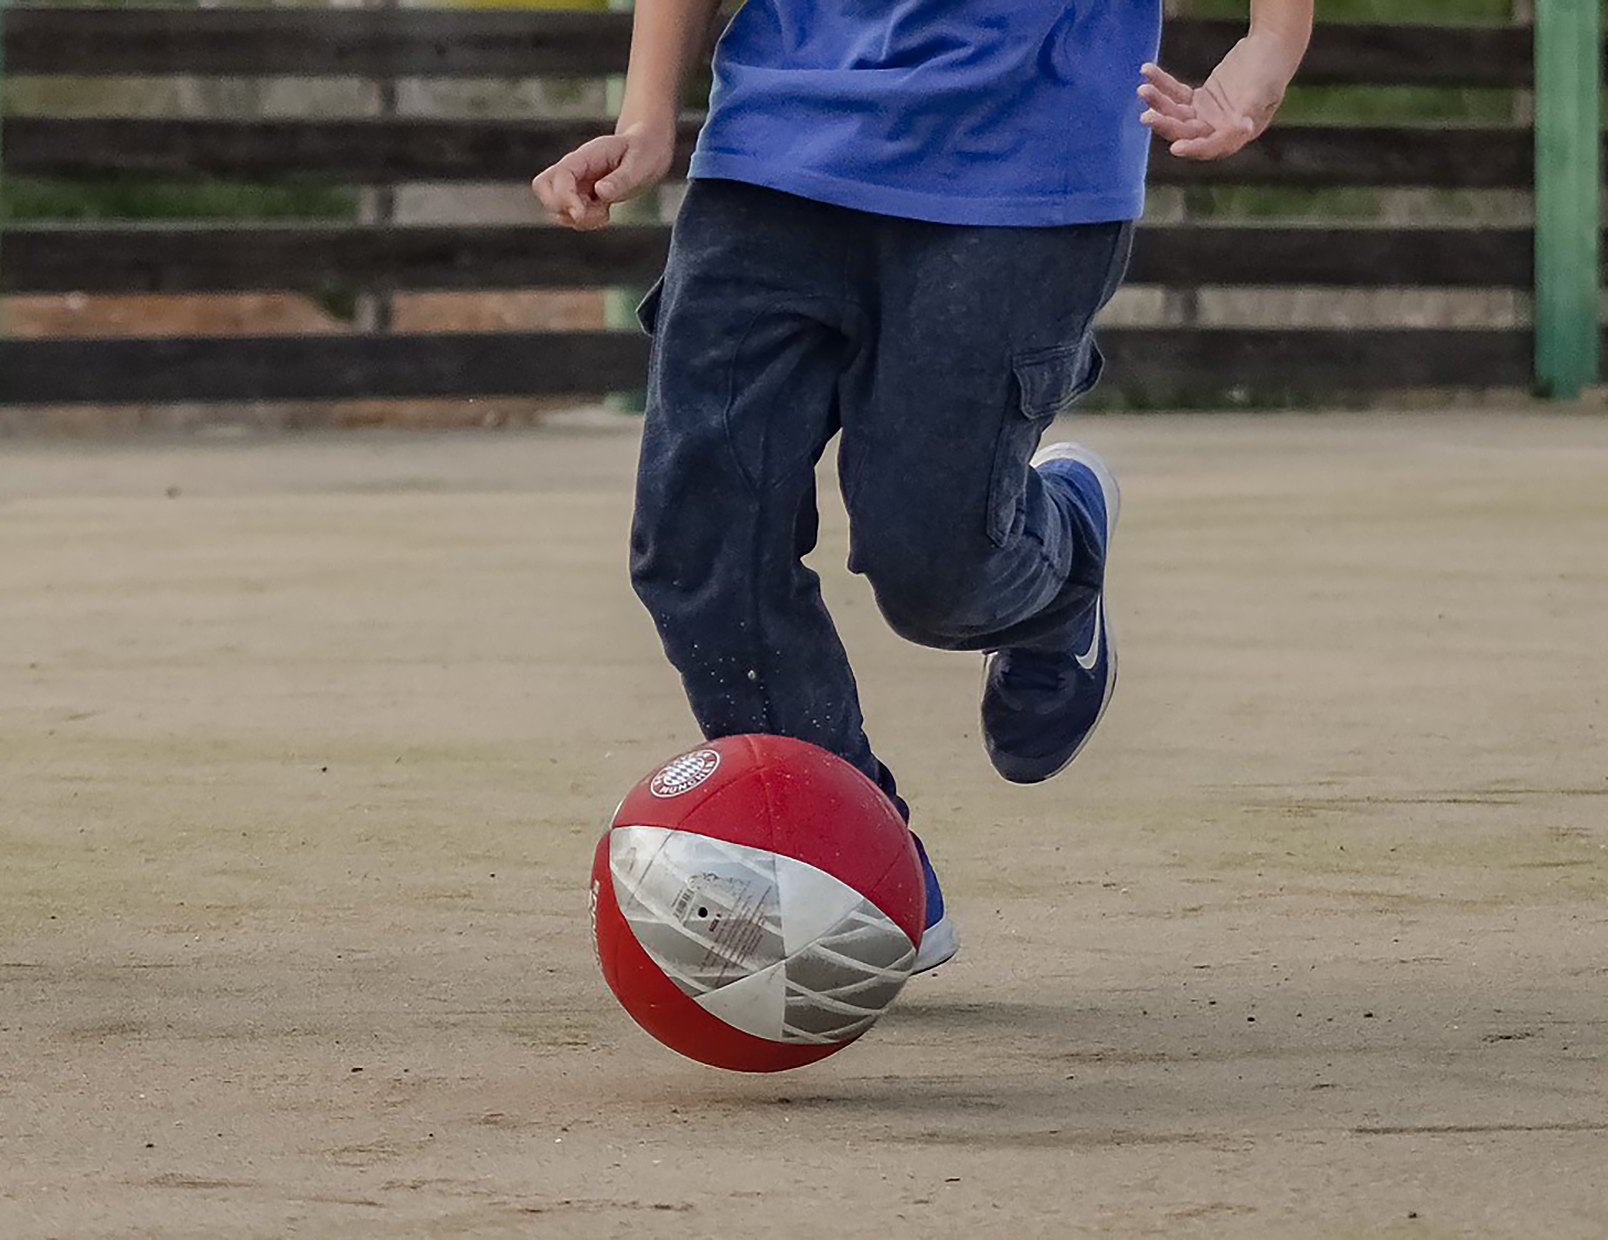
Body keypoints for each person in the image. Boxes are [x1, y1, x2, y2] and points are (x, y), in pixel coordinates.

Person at [535, 0, 1311, 971]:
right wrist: (646, 116)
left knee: (930, 565)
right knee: (698, 540)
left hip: (1020, 160)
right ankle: (855, 852)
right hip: (773, 151)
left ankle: (1055, 560)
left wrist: (1269, 48)